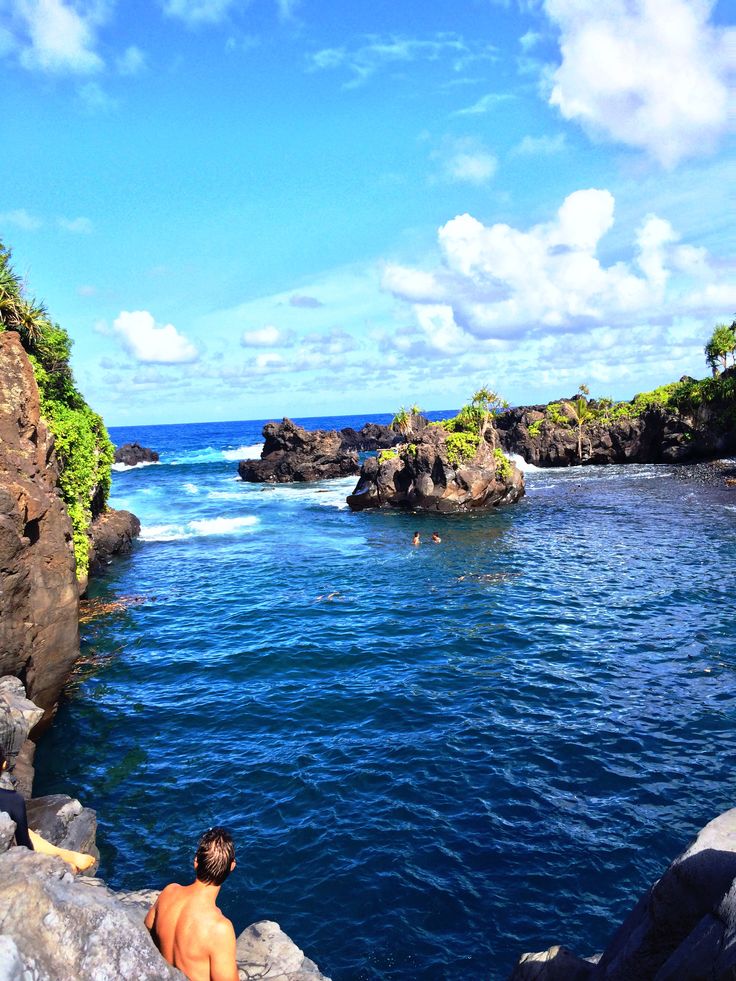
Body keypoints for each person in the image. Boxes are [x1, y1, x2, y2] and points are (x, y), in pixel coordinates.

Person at [145, 827, 239, 981]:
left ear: (196, 862)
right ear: (232, 866)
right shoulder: (220, 929)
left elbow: (148, 926)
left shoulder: (169, 892)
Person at [0, 745, 95, 872]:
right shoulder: (13, 801)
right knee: (24, 832)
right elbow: (25, 847)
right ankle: (62, 856)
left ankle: (62, 855)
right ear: (4, 765)